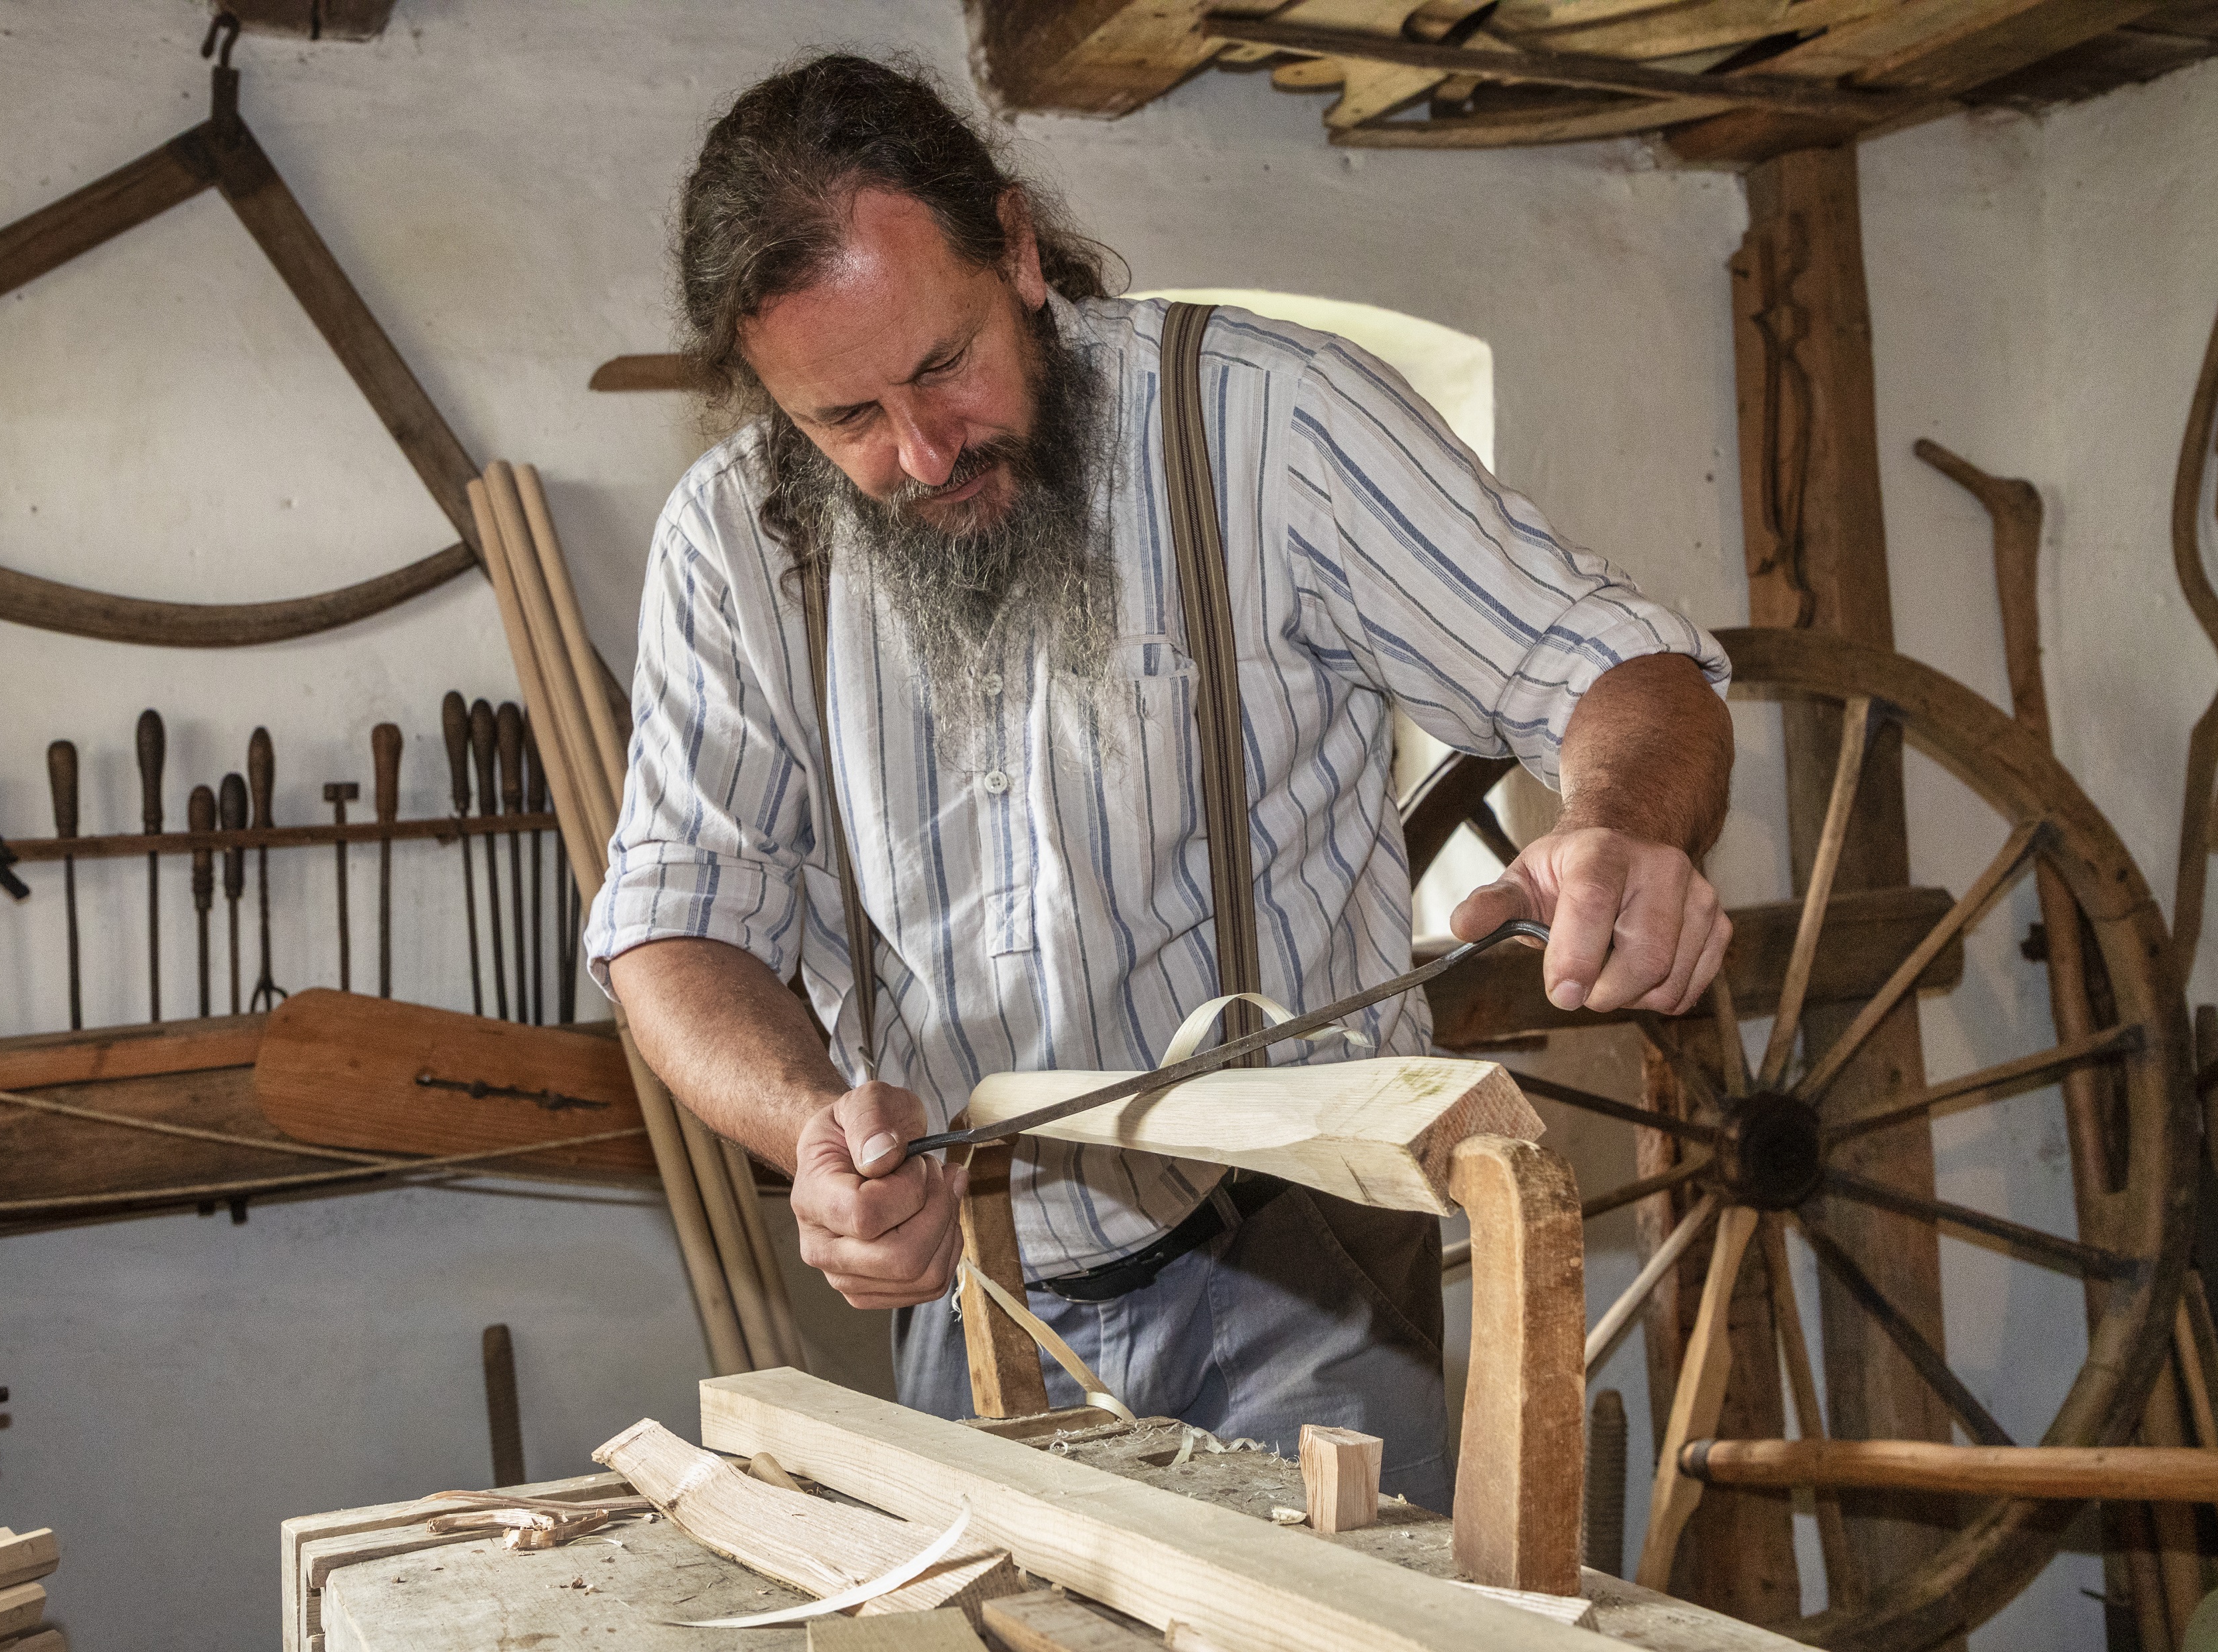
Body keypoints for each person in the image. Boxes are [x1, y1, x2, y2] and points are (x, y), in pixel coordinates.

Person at [590, 54, 1734, 1509]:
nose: (921, 451)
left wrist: (1619, 828)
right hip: (972, 1277)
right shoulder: (733, 544)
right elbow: (675, 924)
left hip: (1306, 1261)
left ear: (1015, 249)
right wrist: (817, 1126)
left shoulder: (1272, 426)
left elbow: (1622, 671)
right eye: (845, 420)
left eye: (943, 366)